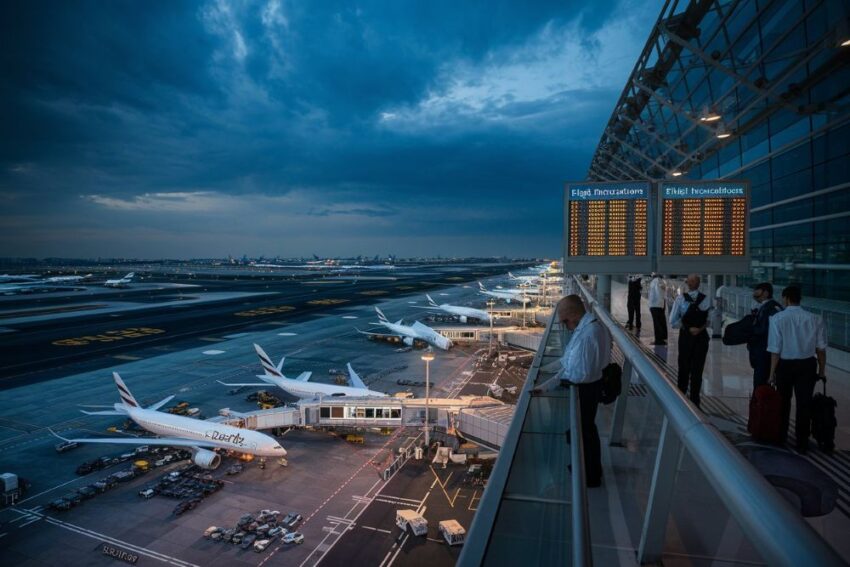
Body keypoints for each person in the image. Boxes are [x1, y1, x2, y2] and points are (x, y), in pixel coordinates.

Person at [534, 295, 611, 487]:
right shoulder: (586, 328)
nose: (565, 325)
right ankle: (588, 469)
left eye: (565, 321)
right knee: (586, 431)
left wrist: (549, 384)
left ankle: (590, 475)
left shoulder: (588, 334)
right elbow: (568, 361)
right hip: (588, 387)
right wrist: (544, 372)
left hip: (584, 390)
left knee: (585, 432)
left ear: (574, 314)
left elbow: (578, 374)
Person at [767, 285, 827, 453]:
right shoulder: (815, 318)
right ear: (800, 299)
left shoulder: (777, 319)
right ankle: (802, 442)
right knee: (804, 404)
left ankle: (781, 437)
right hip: (807, 365)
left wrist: (771, 374)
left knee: (783, 402)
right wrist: (821, 371)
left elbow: (775, 350)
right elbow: (821, 349)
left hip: (785, 366)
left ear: (786, 298)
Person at [669, 274, 711, 407]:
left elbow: (673, 321)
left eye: (692, 281)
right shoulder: (706, 300)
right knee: (697, 370)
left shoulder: (681, 299)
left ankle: (681, 399)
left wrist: (687, 328)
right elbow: (710, 321)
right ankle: (695, 401)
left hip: (687, 338)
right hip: (701, 338)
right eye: (690, 281)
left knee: (684, 368)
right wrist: (699, 329)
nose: (690, 283)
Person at [747, 282, 782, 389]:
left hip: (765, 354)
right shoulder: (765, 307)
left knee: (761, 386)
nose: (755, 293)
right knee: (761, 385)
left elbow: (767, 331)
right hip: (763, 354)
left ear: (766, 293)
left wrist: (751, 331)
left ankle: (761, 405)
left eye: (758, 290)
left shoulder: (772, 308)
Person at [648, 273, 667, 345]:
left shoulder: (655, 281)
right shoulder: (661, 281)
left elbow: (655, 294)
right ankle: (663, 338)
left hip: (655, 305)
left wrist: (651, 305)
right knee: (661, 321)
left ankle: (658, 340)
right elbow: (663, 294)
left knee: (657, 323)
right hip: (660, 304)